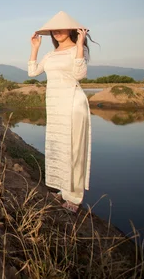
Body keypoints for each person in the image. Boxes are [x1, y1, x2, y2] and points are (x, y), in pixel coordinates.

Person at [27, 11, 95, 213]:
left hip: (73, 103)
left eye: (60, 28)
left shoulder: (76, 49)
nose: (56, 32)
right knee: (60, 145)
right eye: (53, 30)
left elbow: (80, 75)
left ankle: (74, 197)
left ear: (71, 30)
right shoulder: (50, 54)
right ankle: (63, 190)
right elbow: (33, 72)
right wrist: (35, 49)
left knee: (74, 147)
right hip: (56, 105)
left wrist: (81, 46)